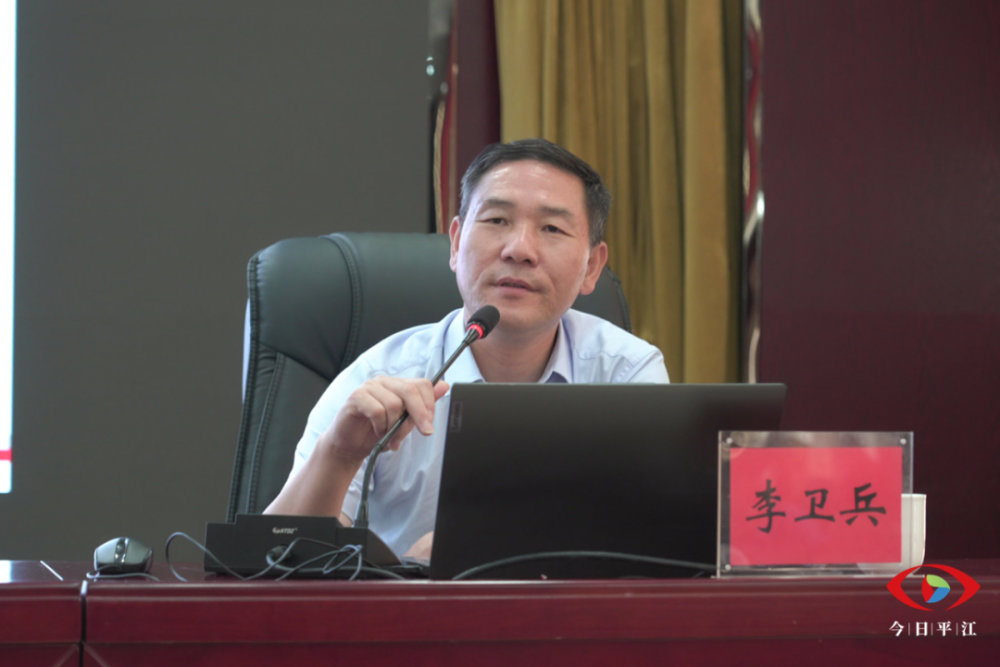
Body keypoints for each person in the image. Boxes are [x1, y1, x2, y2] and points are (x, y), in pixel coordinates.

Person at [265, 138, 669, 559]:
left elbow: (656, 544)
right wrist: (340, 454)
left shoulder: (625, 374)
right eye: (497, 220)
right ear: (456, 244)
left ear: (592, 267)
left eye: (552, 228)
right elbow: (272, 559)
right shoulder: (379, 378)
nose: (519, 250)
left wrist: (472, 554)